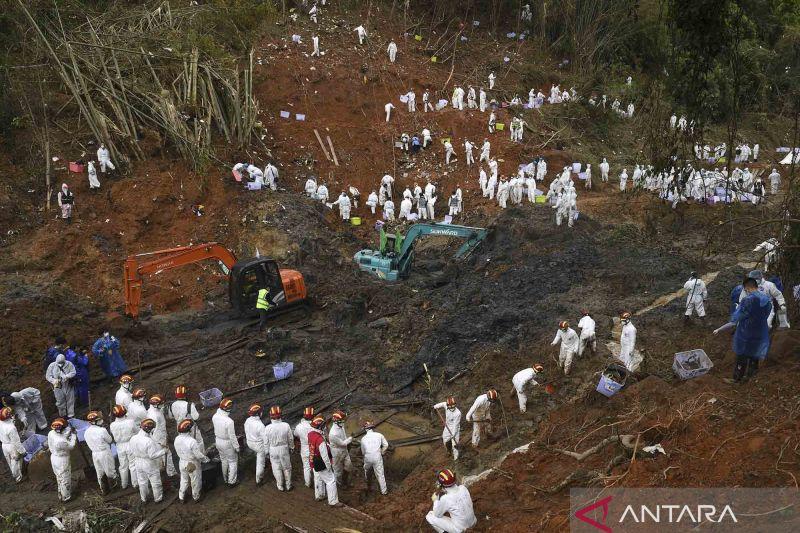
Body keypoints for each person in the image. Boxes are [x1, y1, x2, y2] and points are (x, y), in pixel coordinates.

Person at [715, 277, 773, 382]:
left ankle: (737, 379)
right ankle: (751, 377)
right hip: (760, 331)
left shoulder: (747, 300)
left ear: (747, 288)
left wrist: (721, 328)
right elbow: (767, 313)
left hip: (746, 332)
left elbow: (736, 318)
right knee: (755, 353)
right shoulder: (766, 299)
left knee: (742, 355)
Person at [130, 418, 167, 503]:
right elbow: (152, 455)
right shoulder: (148, 441)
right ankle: (158, 499)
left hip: (137, 461)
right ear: (149, 429)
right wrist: (164, 451)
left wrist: (158, 444)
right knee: (155, 482)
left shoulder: (133, 438)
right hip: (149, 463)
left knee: (142, 481)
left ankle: (144, 498)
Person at [174, 419, 210, 503]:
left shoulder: (177, 439)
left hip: (182, 462)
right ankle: (196, 497)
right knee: (195, 481)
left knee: (184, 479)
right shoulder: (192, 441)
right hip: (191, 463)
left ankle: (181, 497)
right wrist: (205, 459)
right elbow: (198, 455)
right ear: (189, 429)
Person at [308, 416, 340, 506]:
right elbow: (325, 456)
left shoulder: (310, 434)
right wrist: (329, 466)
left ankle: (319, 495)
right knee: (331, 480)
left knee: (318, 477)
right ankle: (333, 501)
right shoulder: (320, 440)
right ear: (320, 427)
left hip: (313, 459)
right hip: (321, 461)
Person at [85, 411, 118, 492]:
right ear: (94, 422)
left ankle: (104, 490)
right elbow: (110, 440)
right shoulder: (102, 430)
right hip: (104, 452)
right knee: (110, 470)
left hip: (94, 454)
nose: (101, 421)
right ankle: (114, 488)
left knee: (100, 472)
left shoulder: (86, 432)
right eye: (99, 420)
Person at [263, 405, 294, 491]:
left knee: (276, 467)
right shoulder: (286, 425)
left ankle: (280, 485)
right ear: (281, 415)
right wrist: (292, 447)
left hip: (273, 449)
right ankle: (288, 485)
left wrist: (266, 452)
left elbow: (266, 442)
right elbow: (290, 438)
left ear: (270, 416)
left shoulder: (267, 428)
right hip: (284, 448)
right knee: (287, 467)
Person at [48, 418, 77, 502]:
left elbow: (63, 433)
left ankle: (60, 494)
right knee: (65, 478)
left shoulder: (51, 433)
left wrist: (69, 431)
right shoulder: (61, 441)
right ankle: (66, 497)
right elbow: (71, 446)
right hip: (62, 460)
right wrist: (74, 435)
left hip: (54, 457)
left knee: (59, 477)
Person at [147, 394, 177, 477]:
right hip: (159, 438)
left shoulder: (153, 409)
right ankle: (171, 473)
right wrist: (162, 441)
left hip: (159, 436)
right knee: (167, 454)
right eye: (160, 404)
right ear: (156, 405)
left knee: (160, 456)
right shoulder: (154, 416)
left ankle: (161, 470)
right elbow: (155, 430)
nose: (162, 405)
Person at [110, 405, 138, 490]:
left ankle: (124, 484)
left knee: (122, 465)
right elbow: (136, 431)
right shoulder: (130, 422)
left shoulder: (112, 425)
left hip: (119, 445)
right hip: (130, 443)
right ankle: (135, 484)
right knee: (132, 464)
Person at [169, 385, 204, 451]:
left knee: (184, 443)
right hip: (191, 428)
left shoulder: (171, 405)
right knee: (198, 442)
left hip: (180, 426)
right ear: (185, 395)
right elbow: (196, 417)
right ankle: (201, 457)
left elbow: (171, 417)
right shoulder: (189, 405)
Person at [213, 398, 239, 486]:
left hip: (218, 441)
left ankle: (225, 479)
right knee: (232, 461)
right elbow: (232, 436)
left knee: (224, 460)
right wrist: (237, 447)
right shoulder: (229, 421)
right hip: (227, 443)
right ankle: (232, 482)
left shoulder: (214, 416)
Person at [360, 421, 389, 495]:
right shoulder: (379, 435)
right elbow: (386, 445)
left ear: (365, 429)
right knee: (380, 474)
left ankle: (368, 486)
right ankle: (384, 492)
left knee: (367, 471)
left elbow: (363, 452)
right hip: (377, 457)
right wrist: (382, 452)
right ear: (372, 428)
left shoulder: (363, 439)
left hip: (367, 457)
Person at [46, 354, 76, 419]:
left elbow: (73, 372)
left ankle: (71, 414)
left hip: (68, 384)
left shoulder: (69, 364)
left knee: (70, 399)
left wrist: (66, 376)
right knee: (60, 401)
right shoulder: (52, 366)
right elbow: (48, 376)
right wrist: (54, 380)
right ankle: (63, 415)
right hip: (58, 386)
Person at [0, 407, 26, 483]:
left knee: (9, 461)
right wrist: (23, 451)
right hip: (12, 446)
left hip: (4, 445)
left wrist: (12, 419)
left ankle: (14, 474)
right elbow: (16, 442)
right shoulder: (11, 428)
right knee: (16, 462)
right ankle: (18, 478)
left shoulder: (1, 422)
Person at [328, 410, 353, 486]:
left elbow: (344, 437)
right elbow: (342, 443)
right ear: (337, 421)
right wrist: (351, 438)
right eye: (342, 420)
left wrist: (348, 440)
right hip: (337, 452)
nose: (344, 422)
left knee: (348, 466)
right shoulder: (333, 434)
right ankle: (338, 485)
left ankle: (345, 481)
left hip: (344, 450)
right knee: (337, 470)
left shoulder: (341, 426)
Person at [294, 407, 315, 488]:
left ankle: (308, 483)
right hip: (314, 448)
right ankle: (318, 485)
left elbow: (295, 435)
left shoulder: (299, 426)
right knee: (315, 467)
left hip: (304, 448)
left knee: (306, 467)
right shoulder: (315, 425)